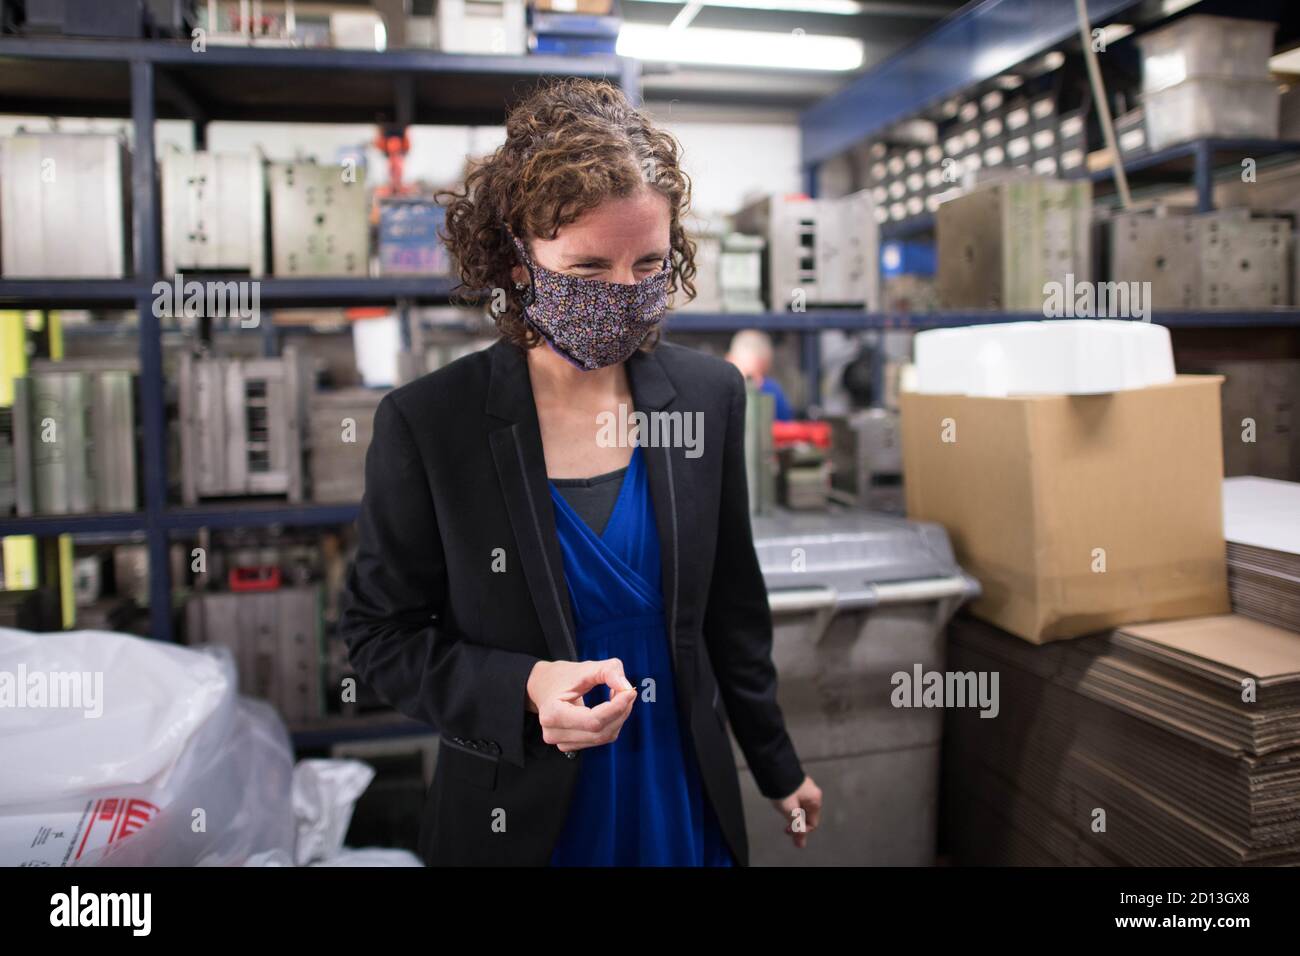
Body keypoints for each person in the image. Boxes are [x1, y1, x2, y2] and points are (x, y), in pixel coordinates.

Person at [338, 78, 821, 866]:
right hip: (524, 809)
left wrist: (776, 763)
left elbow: (732, 608)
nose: (625, 296)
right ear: (520, 261)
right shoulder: (433, 424)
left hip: (678, 789)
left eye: (650, 264)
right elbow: (377, 637)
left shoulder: (706, 396)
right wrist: (520, 688)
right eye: (589, 268)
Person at [726, 329, 794, 420]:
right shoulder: (711, 391)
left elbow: (786, 426)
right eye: (748, 377)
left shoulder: (771, 391)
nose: (758, 382)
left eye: (760, 376)